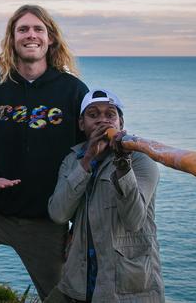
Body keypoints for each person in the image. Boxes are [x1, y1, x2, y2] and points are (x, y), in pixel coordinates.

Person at [0, 4, 89, 299]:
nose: (30, 35)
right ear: (12, 39)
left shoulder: (73, 92)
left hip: (46, 222)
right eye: (22, 29)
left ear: (50, 39)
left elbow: (88, 162)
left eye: (38, 29)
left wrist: (79, 227)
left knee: (64, 297)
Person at [45, 89, 164, 302]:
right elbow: (58, 214)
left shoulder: (141, 160)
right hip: (78, 282)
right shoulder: (73, 160)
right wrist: (87, 160)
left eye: (110, 114)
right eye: (93, 114)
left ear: (120, 123)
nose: (102, 120)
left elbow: (134, 219)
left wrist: (122, 164)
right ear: (82, 124)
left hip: (126, 287)